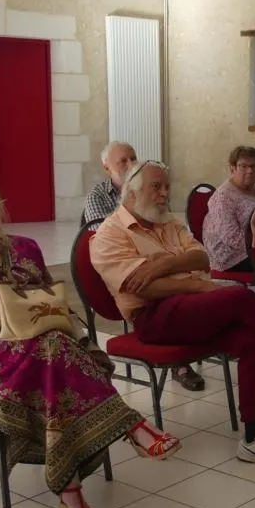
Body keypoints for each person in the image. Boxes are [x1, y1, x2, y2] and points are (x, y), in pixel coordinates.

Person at [0, 163, 181, 508]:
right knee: (53, 350)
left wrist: (26, 306)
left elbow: (52, 301)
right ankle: (131, 426)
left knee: (52, 356)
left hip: (46, 346)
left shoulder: (24, 247)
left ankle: (70, 493)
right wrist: (32, 305)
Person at [90, 160, 255, 469]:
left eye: (166, 186)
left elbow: (201, 257)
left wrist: (163, 264)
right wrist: (196, 285)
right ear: (132, 192)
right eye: (157, 187)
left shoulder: (167, 223)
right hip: (153, 318)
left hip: (193, 308)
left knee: (252, 336)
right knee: (238, 296)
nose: (165, 193)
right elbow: (142, 288)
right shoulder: (109, 234)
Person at [83, 140, 208, 391]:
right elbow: (134, 270)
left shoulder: (154, 199)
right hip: (133, 288)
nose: (131, 164)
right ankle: (180, 365)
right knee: (237, 303)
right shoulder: (100, 202)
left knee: (239, 313)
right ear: (107, 168)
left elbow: (198, 256)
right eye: (123, 161)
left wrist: (165, 262)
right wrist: (186, 274)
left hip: (169, 286)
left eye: (133, 158)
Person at [203, 146, 255, 273]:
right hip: (231, 256)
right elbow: (231, 238)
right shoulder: (223, 196)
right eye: (244, 166)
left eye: (254, 166)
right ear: (232, 168)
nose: (250, 171)